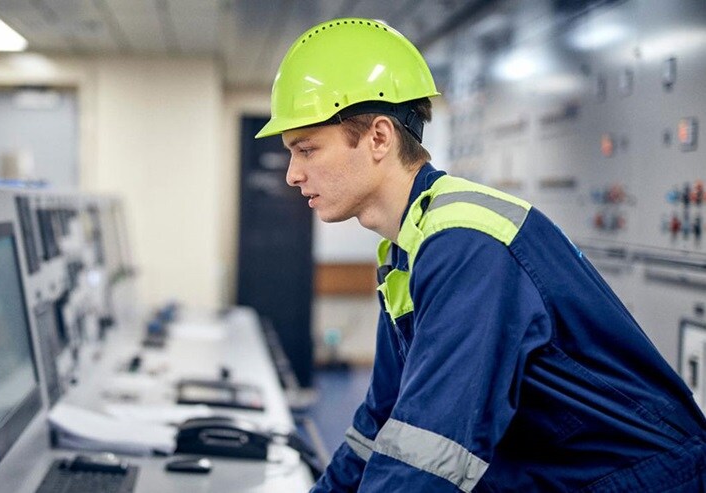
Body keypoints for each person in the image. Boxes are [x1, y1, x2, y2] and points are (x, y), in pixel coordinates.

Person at [255, 17, 706, 492]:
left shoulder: (464, 245)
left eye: (306, 149)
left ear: (379, 138)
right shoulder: (406, 249)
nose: (292, 174)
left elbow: (426, 457)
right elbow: (382, 424)